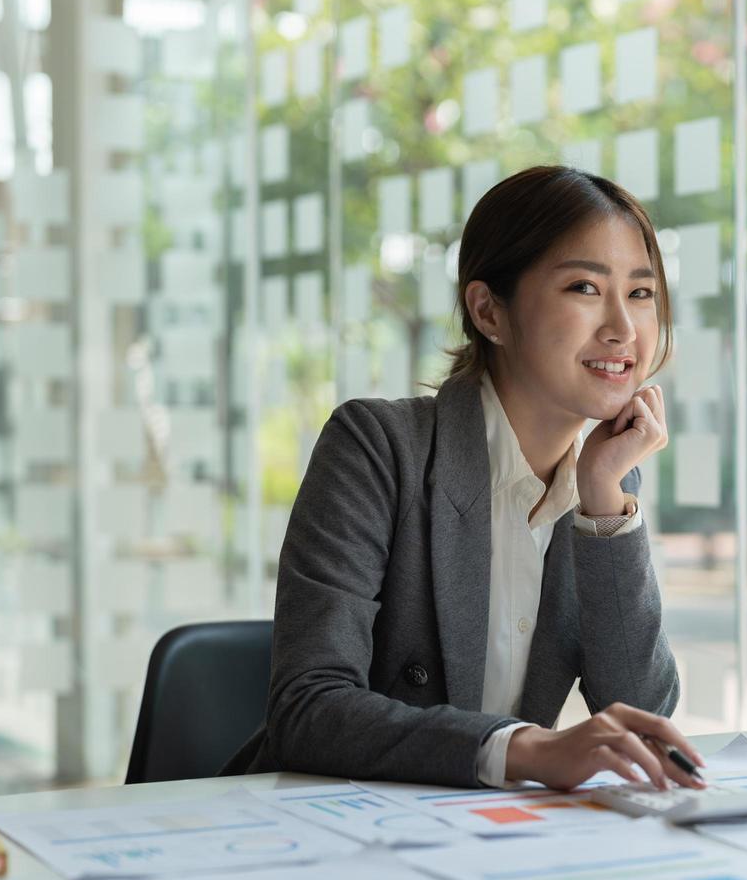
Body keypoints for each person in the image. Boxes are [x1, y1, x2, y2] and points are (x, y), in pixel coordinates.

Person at [222, 165, 706, 792]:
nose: (623, 327)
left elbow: (642, 713)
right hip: (323, 833)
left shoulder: (600, 485)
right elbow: (309, 709)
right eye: (585, 287)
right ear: (490, 312)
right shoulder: (377, 448)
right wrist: (525, 748)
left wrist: (606, 507)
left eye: (641, 294)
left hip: (475, 838)